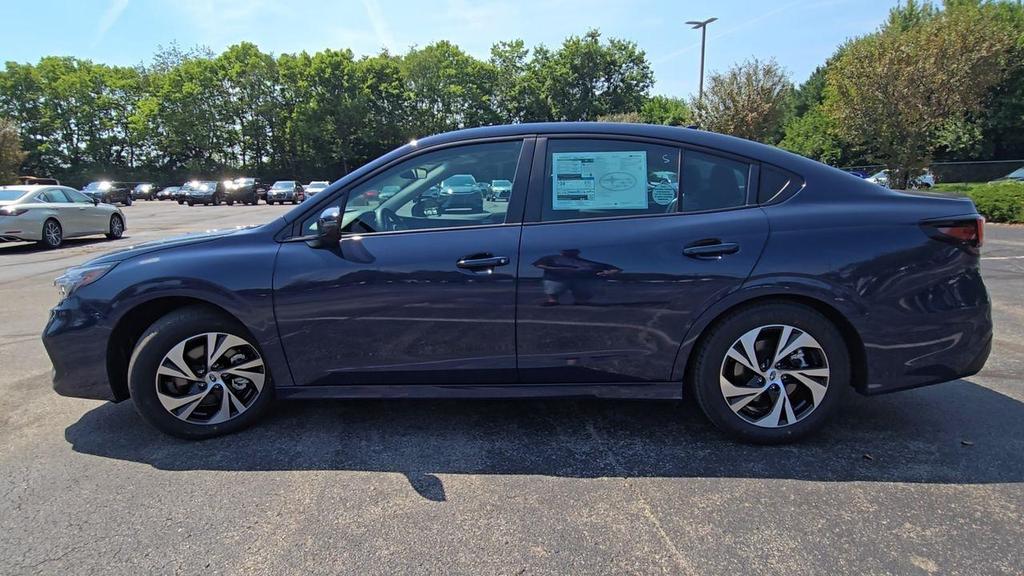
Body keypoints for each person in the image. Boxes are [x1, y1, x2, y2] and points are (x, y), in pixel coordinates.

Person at [532, 249, 621, 306]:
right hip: (557, 278)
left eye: (572, 250)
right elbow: (538, 264)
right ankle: (552, 300)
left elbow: (616, 269)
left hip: (581, 280)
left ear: (578, 251)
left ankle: (581, 300)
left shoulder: (588, 262)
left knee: (584, 289)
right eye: (567, 250)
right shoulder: (552, 258)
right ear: (561, 251)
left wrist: (608, 272)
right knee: (554, 287)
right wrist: (557, 269)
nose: (569, 251)